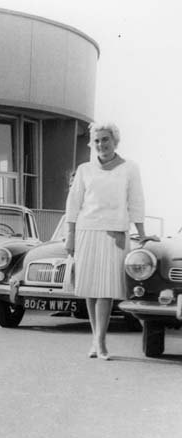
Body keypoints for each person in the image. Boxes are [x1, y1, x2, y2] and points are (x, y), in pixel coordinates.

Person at [65, 122, 148, 361]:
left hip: (115, 233)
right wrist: (70, 235)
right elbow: (73, 203)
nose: (101, 145)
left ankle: (100, 342)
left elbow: (136, 201)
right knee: (91, 289)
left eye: (106, 140)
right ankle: (96, 339)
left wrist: (141, 233)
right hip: (86, 231)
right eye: (97, 141)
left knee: (106, 289)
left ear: (115, 142)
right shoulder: (84, 170)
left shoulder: (130, 168)